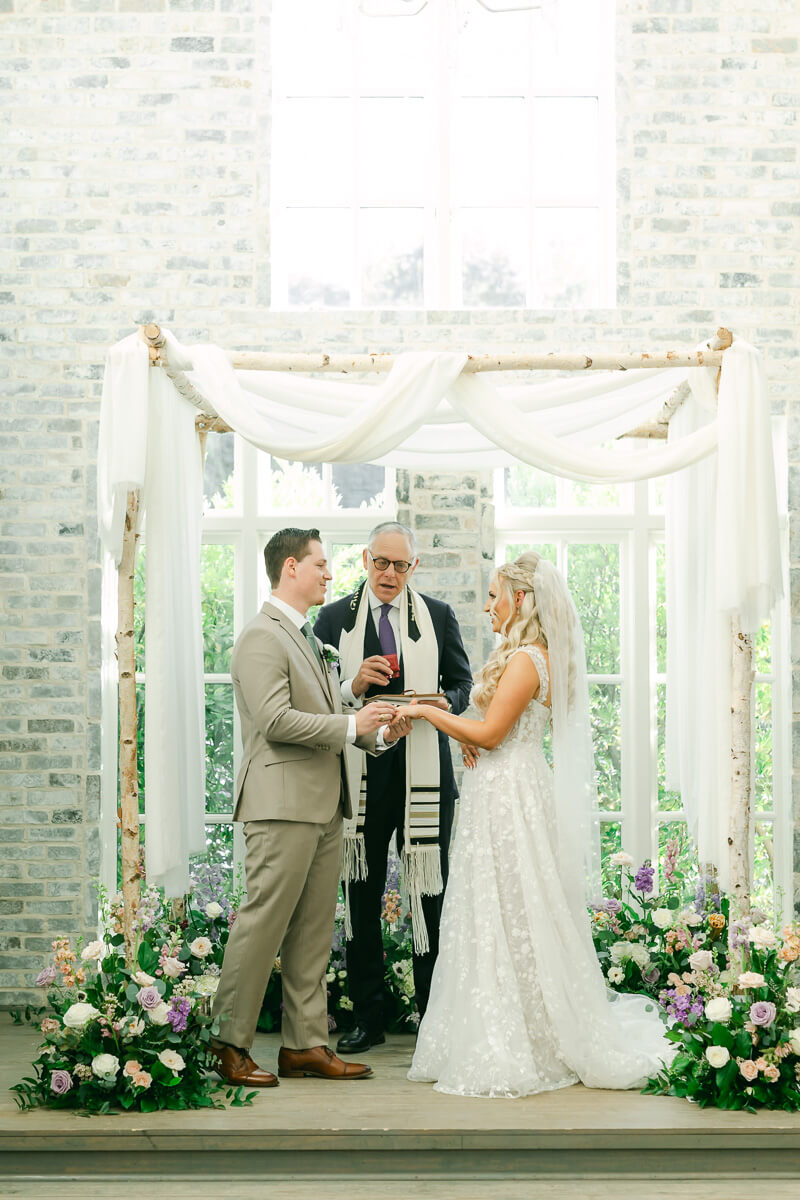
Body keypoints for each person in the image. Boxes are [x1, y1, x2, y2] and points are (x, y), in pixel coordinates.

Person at [403, 551, 673, 1098]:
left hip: (510, 796)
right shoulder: (526, 654)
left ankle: (531, 1036)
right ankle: (518, 1022)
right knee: (501, 907)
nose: (485, 606)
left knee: (515, 907)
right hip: (505, 787)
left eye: (494, 595)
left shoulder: (528, 657)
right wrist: (471, 732)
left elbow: (491, 735)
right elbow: (490, 728)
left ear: (521, 599)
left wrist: (426, 712)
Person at [209, 528, 408, 1087]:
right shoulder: (261, 637)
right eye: (320, 565)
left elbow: (331, 721)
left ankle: (304, 1045)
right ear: (290, 567)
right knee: (262, 924)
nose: (329, 574)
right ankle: (228, 1043)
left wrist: (381, 730)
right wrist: (350, 722)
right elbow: (274, 721)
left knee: (314, 932)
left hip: (324, 806)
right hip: (280, 805)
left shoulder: (308, 638)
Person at [314, 521, 472, 1054]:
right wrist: (353, 684)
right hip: (361, 773)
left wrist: (438, 702)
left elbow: (463, 687)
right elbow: (315, 701)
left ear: (413, 568)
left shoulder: (439, 617)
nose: (389, 574)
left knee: (429, 895)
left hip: (423, 767)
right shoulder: (333, 618)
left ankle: (434, 1016)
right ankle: (369, 1018)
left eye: (400, 565)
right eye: (380, 562)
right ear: (365, 559)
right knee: (361, 897)